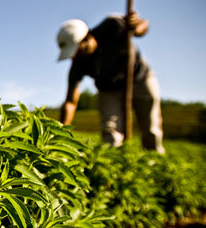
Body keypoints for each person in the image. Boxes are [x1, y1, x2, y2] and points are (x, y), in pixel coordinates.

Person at [57, 14, 165, 153]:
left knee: (151, 125)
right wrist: (61, 131)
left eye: (77, 50)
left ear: (87, 38)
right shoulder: (78, 64)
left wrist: (136, 27)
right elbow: (70, 102)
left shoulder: (112, 26)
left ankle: (155, 158)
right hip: (108, 89)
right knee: (110, 130)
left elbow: (143, 25)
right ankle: (114, 163)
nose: (75, 56)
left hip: (139, 78)